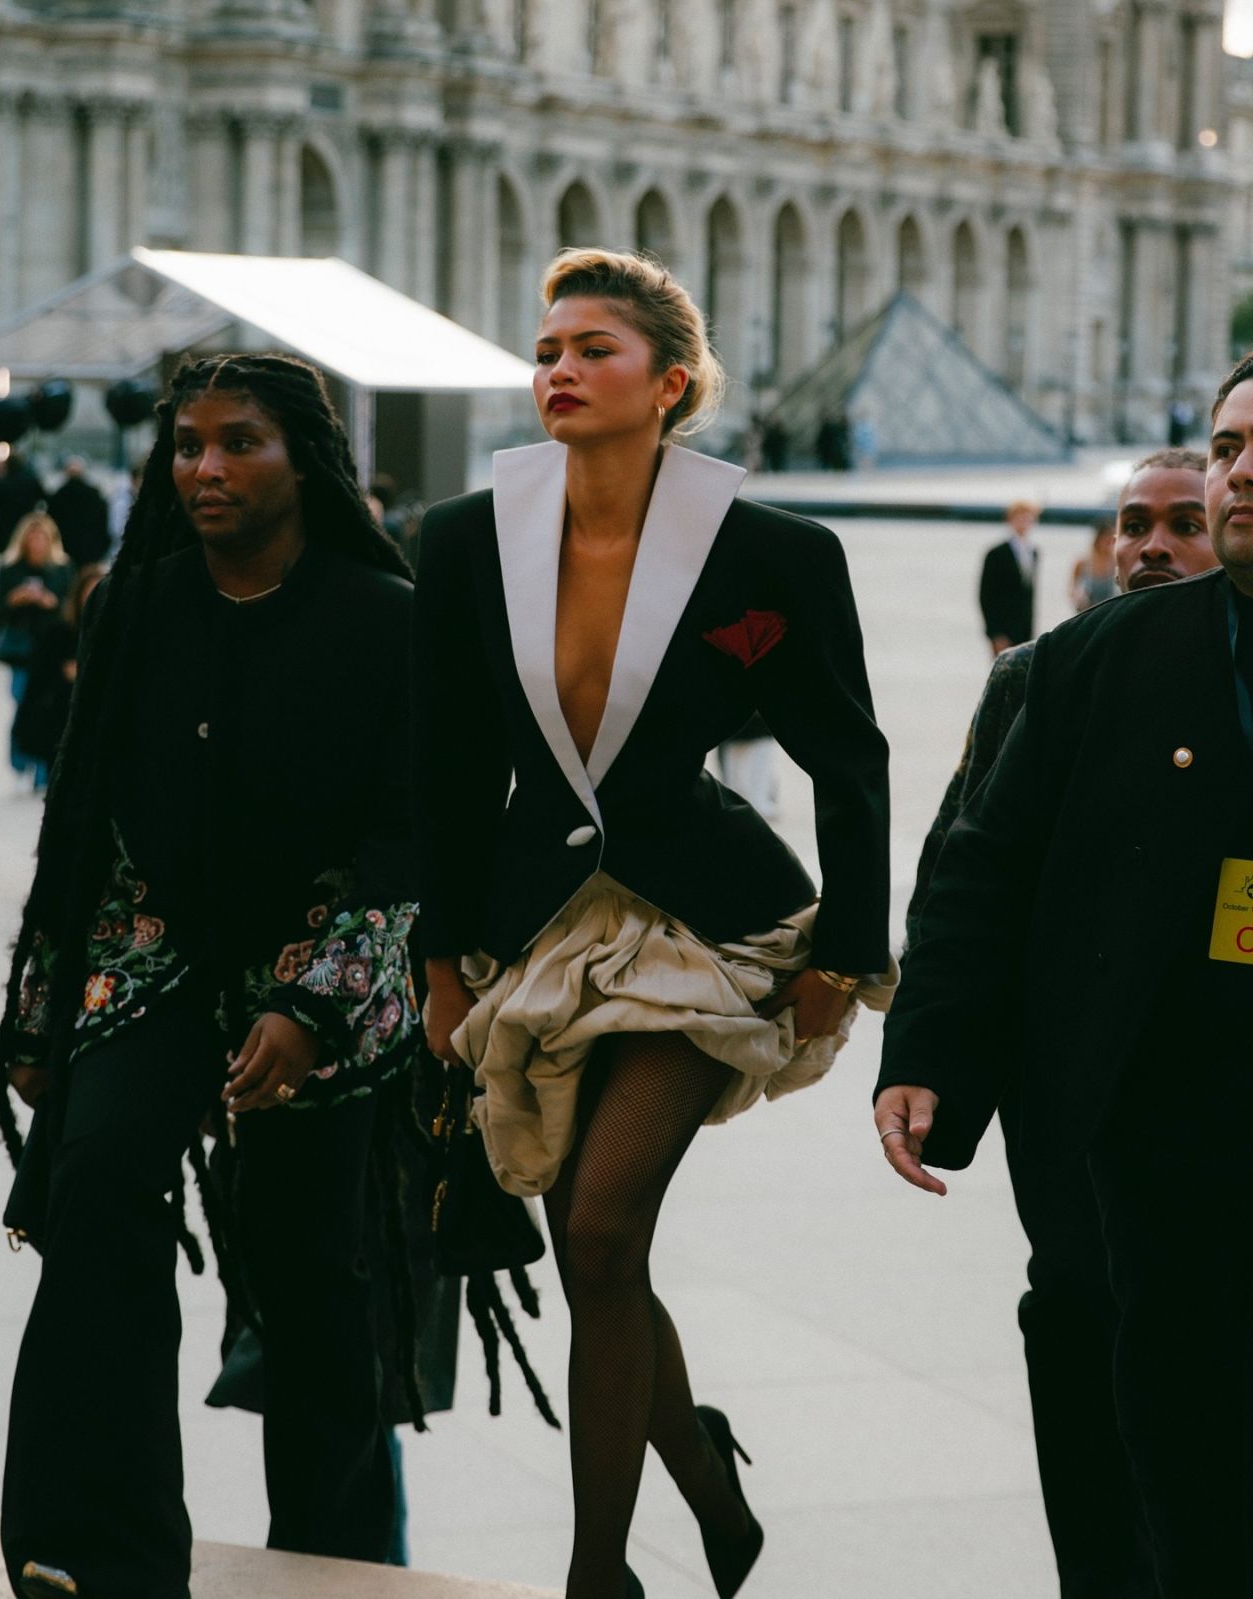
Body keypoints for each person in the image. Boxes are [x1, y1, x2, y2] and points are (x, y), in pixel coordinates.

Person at [413, 247, 894, 1599]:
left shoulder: (776, 552)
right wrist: (437, 956)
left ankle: (596, 1572)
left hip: (710, 930)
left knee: (607, 1226)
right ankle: (701, 1464)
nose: (557, 369)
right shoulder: (464, 537)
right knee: (590, 1240)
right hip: (535, 927)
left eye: (592, 350)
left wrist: (848, 955)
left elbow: (848, 761)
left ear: (668, 384)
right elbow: (441, 769)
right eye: (548, 347)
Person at [0, 353, 432, 1599]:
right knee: (95, 1190)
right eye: (188, 444)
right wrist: (41, 1010)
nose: (206, 468)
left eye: (239, 442)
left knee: (310, 1276)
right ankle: (94, 1548)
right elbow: (82, 815)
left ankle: (342, 1561)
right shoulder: (139, 602)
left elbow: (408, 836)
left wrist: (313, 1005)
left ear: (305, 458)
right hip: (160, 954)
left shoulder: (385, 617)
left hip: (320, 963)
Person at [874, 365, 1253, 1596]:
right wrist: (926, 1052)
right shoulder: (1093, 661)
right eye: (1224, 447)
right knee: (1174, 1460)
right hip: (1157, 1122)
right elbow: (976, 867)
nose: (1236, 470)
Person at [0, 512, 72, 792]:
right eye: (32, 537)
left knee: (48, 709)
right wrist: (15, 599)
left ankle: (42, 769)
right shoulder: (11, 568)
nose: (37, 543)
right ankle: (20, 762)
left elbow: (70, 608)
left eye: (42, 537)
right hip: (22, 650)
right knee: (22, 702)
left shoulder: (61, 569)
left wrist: (50, 602)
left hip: (50, 649)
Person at [12, 562, 106, 785]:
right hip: (59, 721)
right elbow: (38, 680)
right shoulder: (59, 632)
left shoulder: (117, 632)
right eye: (89, 592)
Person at [978, 498, 1040, 653]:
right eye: (1019, 517)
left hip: (1025, 629)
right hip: (1003, 630)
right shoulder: (996, 553)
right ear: (1010, 520)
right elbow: (986, 595)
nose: (1024, 522)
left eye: (1028, 518)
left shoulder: (1033, 552)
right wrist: (995, 633)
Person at [46, 456, 111, 566]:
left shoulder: (59, 496)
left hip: (65, 549)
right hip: (90, 550)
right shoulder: (94, 495)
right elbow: (102, 522)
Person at [1068, 519, 1116, 612]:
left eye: (1112, 540)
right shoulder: (1083, 562)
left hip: (1109, 614)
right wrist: (1079, 597)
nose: (1109, 543)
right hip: (1087, 614)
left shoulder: (1116, 563)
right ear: (1098, 538)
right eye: (1106, 539)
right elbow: (1072, 589)